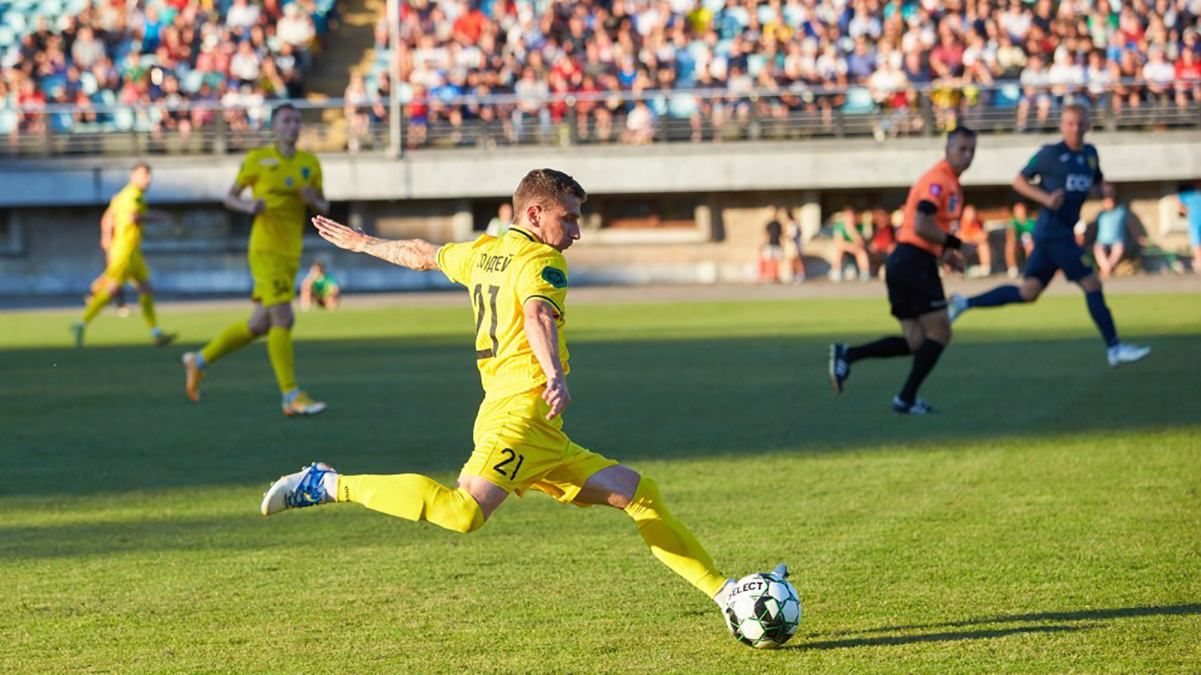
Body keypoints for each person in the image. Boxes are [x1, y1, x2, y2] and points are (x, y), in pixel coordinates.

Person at [261, 169, 782, 622]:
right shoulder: (543, 263)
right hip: (518, 415)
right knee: (462, 512)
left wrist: (363, 243)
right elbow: (536, 314)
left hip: (536, 427)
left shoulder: (483, 253)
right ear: (535, 213)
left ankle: (726, 593)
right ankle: (328, 484)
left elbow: (422, 255)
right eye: (570, 218)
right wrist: (553, 372)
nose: (576, 232)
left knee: (638, 493)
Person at [948, 105, 1150, 368]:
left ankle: (963, 303)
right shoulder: (1050, 154)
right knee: (1092, 284)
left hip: (1056, 233)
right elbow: (1019, 181)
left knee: (1028, 292)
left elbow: (1098, 180)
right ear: (1062, 125)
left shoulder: (1090, 155)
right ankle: (1114, 348)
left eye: (1079, 123)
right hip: (1054, 232)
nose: (1075, 128)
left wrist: (1104, 188)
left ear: (1088, 125)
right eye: (1070, 123)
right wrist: (1045, 198)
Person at [181, 104, 330, 416]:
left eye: (297, 121)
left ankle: (200, 360)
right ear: (274, 127)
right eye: (286, 121)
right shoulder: (257, 160)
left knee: (259, 324)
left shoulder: (309, 163)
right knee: (284, 319)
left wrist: (312, 200)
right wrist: (249, 208)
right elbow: (230, 196)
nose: (293, 126)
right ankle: (291, 395)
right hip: (264, 249)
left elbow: (324, 205)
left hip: (291, 250)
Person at [828, 127, 977, 415]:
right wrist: (958, 245)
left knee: (915, 340)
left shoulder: (951, 183)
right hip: (913, 263)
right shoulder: (939, 180)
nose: (967, 155)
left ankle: (849, 354)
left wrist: (947, 256)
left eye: (972, 150)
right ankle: (905, 398)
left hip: (906, 262)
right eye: (962, 149)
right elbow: (921, 225)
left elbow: (927, 230)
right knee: (941, 331)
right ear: (947, 149)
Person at [71, 163, 177, 348]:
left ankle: (156, 333)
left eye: (149, 175)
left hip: (132, 250)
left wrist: (105, 237)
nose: (148, 179)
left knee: (146, 288)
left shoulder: (122, 196)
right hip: (124, 251)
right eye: (144, 175)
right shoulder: (132, 195)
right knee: (112, 289)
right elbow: (131, 218)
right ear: (134, 176)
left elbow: (108, 217)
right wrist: (157, 217)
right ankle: (81, 323)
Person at [1092, 194, 1144, 278]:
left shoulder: (1121, 212)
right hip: (1102, 241)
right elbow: (1092, 227)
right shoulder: (1101, 214)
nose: (1108, 204)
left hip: (1117, 241)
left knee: (1118, 249)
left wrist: (1139, 237)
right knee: (1098, 249)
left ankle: (1105, 270)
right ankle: (1107, 269)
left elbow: (1132, 226)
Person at [829, 206, 871, 282]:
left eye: (851, 216)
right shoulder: (839, 226)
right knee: (838, 251)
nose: (850, 218)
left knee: (862, 253)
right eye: (847, 216)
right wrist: (850, 247)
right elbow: (839, 242)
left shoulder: (858, 226)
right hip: (844, 248)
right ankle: (836, 272)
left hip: (855, 249)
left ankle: (865, 273)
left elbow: (861, 243)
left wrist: (851, 231)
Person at [958, 204, 992, 277]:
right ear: (964, 214)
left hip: (976, 245)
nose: (971, 215)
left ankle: (985, 268)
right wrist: (974, 238)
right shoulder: (960, 222)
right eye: (969, 213)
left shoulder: (979, 222)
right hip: (964, 246)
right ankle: (959, 268)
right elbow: (961, 237)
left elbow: (984, 235)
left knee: (983, 245)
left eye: (972, 212)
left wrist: (974, 238)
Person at [1005, 201, 1036, 278]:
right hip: (1016, 243)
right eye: (1017, 210)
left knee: (1030, 246)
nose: (1020, 212)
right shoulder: (1012, 222)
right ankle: (1012, 269)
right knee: (1010, 245)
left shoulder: (1032, 222)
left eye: (1021, 209)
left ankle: (1031, 268)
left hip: (1030, 243)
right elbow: (1010, 235)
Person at [1176, 180, 1201, 274]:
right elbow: (1179, 204)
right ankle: (1199, 264)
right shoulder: (1188, 194)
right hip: (1195, 222)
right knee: (1197, 244)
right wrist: (1187, 212)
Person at [760, 208, 785, 282]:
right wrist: (764, 243)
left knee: (777, 261)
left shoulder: (779, 224)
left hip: (777, 244)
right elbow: (765, 234)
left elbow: (782, 235)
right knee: (770, 260)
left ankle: (776, 276)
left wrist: (783, 244)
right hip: (770, 244)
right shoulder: (769, 224)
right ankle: (770, 275)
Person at [785, 208, 806, 283]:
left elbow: (793, 235)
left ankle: (800, 275)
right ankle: (793, 275)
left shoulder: (793, 224)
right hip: (790, 245)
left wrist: (786, 236)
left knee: (797, 260)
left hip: (794, 245)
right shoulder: (790, 224)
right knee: (791, 261)